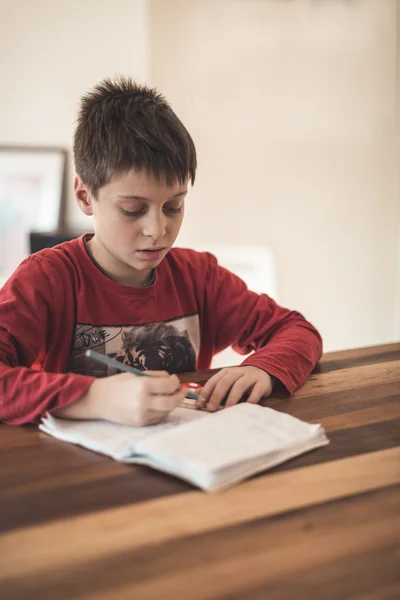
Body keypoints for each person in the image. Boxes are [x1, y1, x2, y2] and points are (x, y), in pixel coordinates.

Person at [0, 76, 322, 426]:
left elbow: (297, 330)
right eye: (133, 210)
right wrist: (94, 397)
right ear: (84, 197)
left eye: (173, 206)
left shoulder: (199, 278)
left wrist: (264, 368)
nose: (158, 230)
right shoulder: (47, 279)